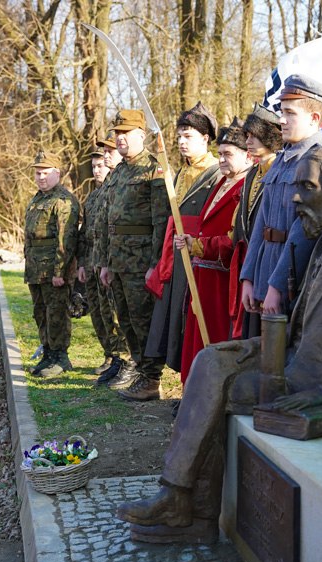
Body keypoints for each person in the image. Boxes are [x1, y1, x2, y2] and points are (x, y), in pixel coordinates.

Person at [116, 146, 322, 543]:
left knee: (221, 390)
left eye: (307, 187)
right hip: (292, 354)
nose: (294, 198)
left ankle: (192, 512)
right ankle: (178, 498)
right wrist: (257, 346)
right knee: (210, 360)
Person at [165, 119, 252, 392]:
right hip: (202, 275)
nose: (222, 160)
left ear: (247, 155)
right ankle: (193, 391)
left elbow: (234, 240)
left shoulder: (245, 188)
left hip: (221, 280)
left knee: (213, 337)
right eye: (221, 153)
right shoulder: (222, 183)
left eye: (229, 154)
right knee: (195, 338)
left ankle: (211, 394)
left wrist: (199, 245)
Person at [239, 74, 322, 320]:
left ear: (314, 119)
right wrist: (248, 276)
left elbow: (303, 233)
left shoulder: (319, 161)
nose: (281, 119)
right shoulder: (281, 158)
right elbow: (261, 223)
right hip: (265, 273)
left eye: (290, 113)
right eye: (281, 111)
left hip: (294, 283)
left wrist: (277, 285)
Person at [143, 101, 222, 384]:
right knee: (171, 317)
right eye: (179, 136)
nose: (181, 142)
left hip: (199, 253)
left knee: (192, 317)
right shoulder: (179, 174)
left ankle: (194, 381)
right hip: (177, 254)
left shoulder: (216, 173)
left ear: (205, 138)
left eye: (188, 136)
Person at [96, 110, 171, 401]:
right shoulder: (120, 171)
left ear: (142, 134)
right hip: (117, 260)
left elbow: (160, 221)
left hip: (140, 261)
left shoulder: (153, 169)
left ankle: (152, 378)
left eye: (126, 133)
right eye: (117, 133)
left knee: (143, 320)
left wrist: (155, 264)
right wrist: (104, 262)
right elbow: (106, 222)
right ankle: (141, 370)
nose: (120, 138)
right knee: (125, 319)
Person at [24, 151, 80, 378]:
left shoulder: (63, 200)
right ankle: (47, 353)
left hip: (54, 269)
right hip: (35, 268)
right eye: (38, 173)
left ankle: (60, 357)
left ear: (57, 173)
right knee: (40, 312)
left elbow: (65, 239)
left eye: (46, 173)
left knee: (56, 312)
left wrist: (60, 271)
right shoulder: (37, 198)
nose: (41, 177)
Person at [230, 102, 283, 339]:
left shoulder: (280, 171)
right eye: (247, 135)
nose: (248, 141)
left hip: (271, 262)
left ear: (269, 137)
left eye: (254, 136)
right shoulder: (252, 172)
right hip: (249, 262)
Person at [77, 138, 128, 380]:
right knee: (98, 312)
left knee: (114, 312)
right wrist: (82, 263)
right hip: (92, 260)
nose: (97, 170)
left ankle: (121, 357)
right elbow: (86, 233)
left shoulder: (115, 190)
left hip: (110, 259)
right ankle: (109, 353)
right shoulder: (93, 197)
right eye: (94, 166)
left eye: (101, 165)